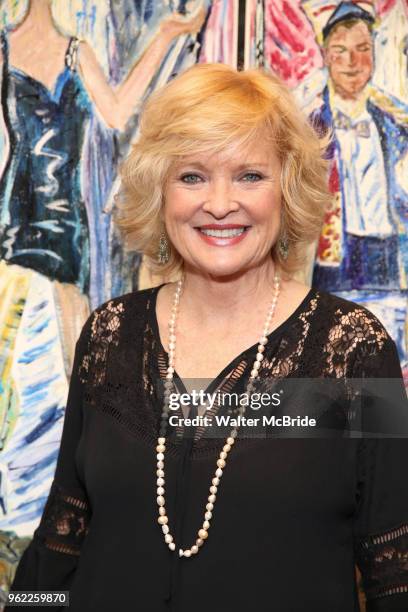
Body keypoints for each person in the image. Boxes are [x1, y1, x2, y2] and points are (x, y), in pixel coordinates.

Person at [5, 62, 408, 612]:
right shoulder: (109, 337)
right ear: (160, 191)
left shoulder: (353, 350)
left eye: (249, 175)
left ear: (287, 189)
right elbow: (59, 544)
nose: (219, 203)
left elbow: (395, 571)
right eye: (192, 176)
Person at [0, 0, 205, 545]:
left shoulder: (77, 50)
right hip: (15, 217)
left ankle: (73, 521)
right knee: (24, 360)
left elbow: (117, 111)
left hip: (68, 223)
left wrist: (165, 34)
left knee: (74, 364)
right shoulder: (2, 46)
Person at [307, 1, 408, 374]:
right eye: (341, 51)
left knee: (389, 369)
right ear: (326, 57)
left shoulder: (395, 123)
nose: (352, 61)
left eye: (363, 50)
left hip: (389, 262)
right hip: (336, 263)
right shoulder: (311, 125)